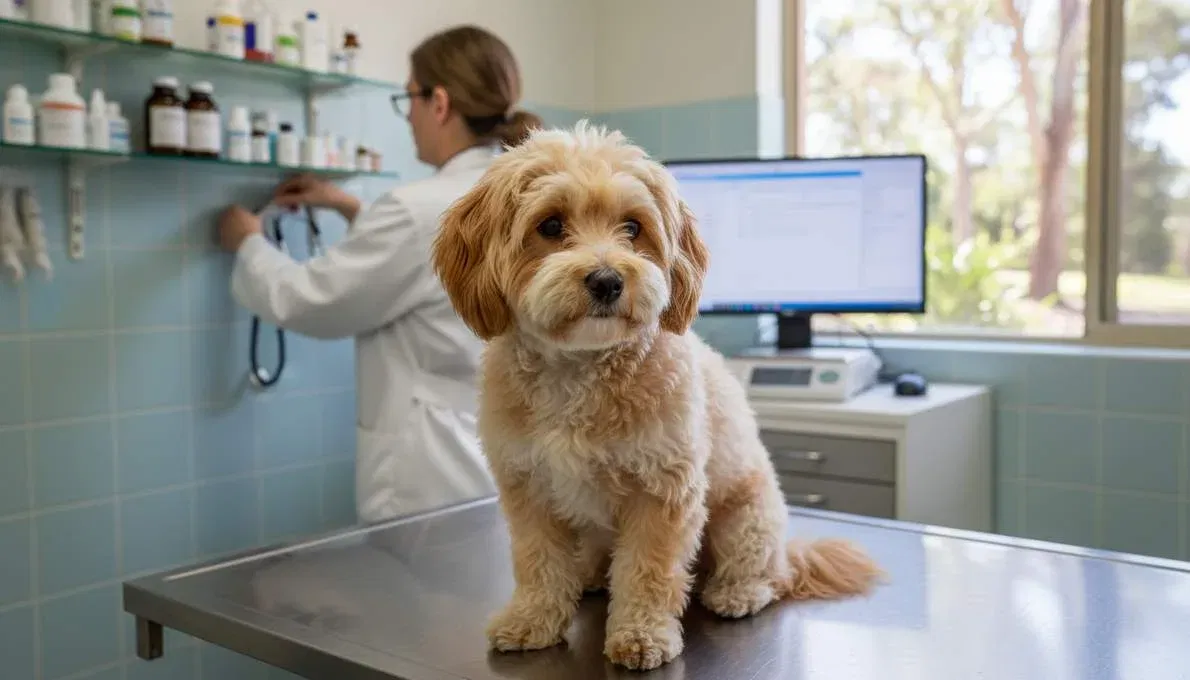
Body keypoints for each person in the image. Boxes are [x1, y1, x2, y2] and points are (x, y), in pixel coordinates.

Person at [215, 25, 544, 524]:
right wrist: (351, 207)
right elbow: (424, 267)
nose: (407, 115)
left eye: (409, 98)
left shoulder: (416, 211)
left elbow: (309, 300)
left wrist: (247, 243)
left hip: (432, 474)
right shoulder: (521, 195)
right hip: (507, 460)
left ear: (439, 103)